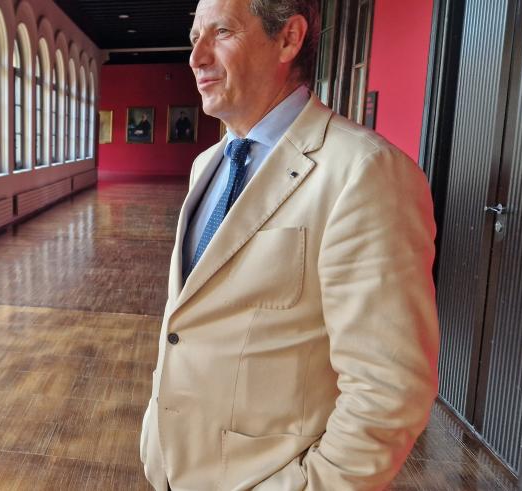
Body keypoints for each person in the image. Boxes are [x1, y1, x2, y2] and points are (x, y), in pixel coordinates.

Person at [139, 0, 439, 489]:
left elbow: (389, 390)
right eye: (195, 37)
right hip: (173, 465)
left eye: (222, 32)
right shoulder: (208, 165)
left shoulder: (364, 172)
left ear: (288, 38)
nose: (196, 57)